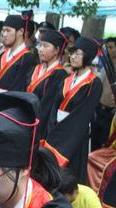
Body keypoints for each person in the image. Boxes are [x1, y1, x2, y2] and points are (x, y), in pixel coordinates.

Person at [43, 37, 102, 183]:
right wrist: (51, 130)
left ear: (88, 56)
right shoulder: (66, 79)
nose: (73, 57)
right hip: (55, 130)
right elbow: (53, 108)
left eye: (78, 53)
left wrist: (60, 137)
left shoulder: (94, 83)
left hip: (74, 137)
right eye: (72, 53)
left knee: (67, 177)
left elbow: (81, 116)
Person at [0, 14, 36, 111]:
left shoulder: (28, 58)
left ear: (20, 31)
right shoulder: (2, 54)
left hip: (10, 109)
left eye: (8, 30)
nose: (4, 34)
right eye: (3, 31)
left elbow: (18, 89)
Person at [26, 29, 68, 138]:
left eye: (45, 46)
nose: (40, 49)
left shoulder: (60, 74)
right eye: (40, 45)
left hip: (41, 124)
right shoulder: (35, 69)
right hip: (25, 118)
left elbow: (48, 104)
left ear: (57, 50)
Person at [91, 37, 116, 152]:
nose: (109, 50)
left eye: (111, 47)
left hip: (111, 113)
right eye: (107, 48)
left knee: (105, 144)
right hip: (99, 109)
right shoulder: (104, 65)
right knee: (94, 142)